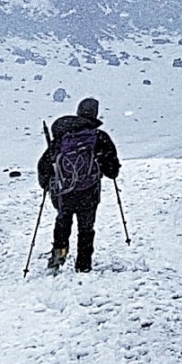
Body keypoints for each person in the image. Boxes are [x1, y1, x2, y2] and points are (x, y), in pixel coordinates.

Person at [36, 97, 121, 274]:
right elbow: (111, 169)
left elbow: (44, 164)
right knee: (86, 229)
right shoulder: (99, 137)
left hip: (65, 192)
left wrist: (46, 184)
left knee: (63, 222)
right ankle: (83, 264)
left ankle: (58, 255)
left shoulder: (62, 138)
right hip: (89, 192)